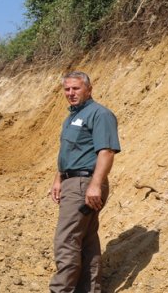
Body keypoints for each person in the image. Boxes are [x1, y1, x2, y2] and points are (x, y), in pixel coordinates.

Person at [49, 71, 121, 292]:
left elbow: (106, 151)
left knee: (67, 240)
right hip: (73, 182)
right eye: (67, 89)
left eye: (76, 88)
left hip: (84, 184)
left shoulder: (99, 114)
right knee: (86, 241)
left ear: (89, 89)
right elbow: (68, 152)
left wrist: (95, 184)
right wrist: (58, 179)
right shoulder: (71, 117)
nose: (70, 93)